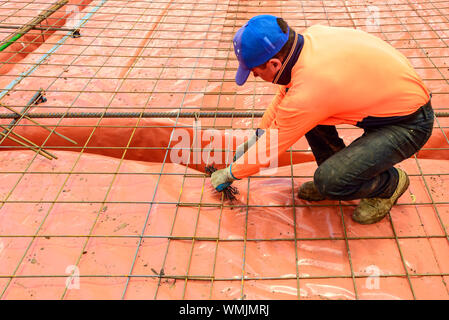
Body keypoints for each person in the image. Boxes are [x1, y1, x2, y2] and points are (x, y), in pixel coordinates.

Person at [211, 15, 434, 224]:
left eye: (255, 72)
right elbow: (286, 94)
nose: (255, 76)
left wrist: (232, 173)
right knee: (306, 117)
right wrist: (258, 135)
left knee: (329, 181)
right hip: (388, 102)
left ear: (274, 64)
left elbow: (271, 147)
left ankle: (389, 184)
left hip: (409, 124)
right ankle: (339, 173)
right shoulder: (308, 42)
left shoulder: (311, 89)